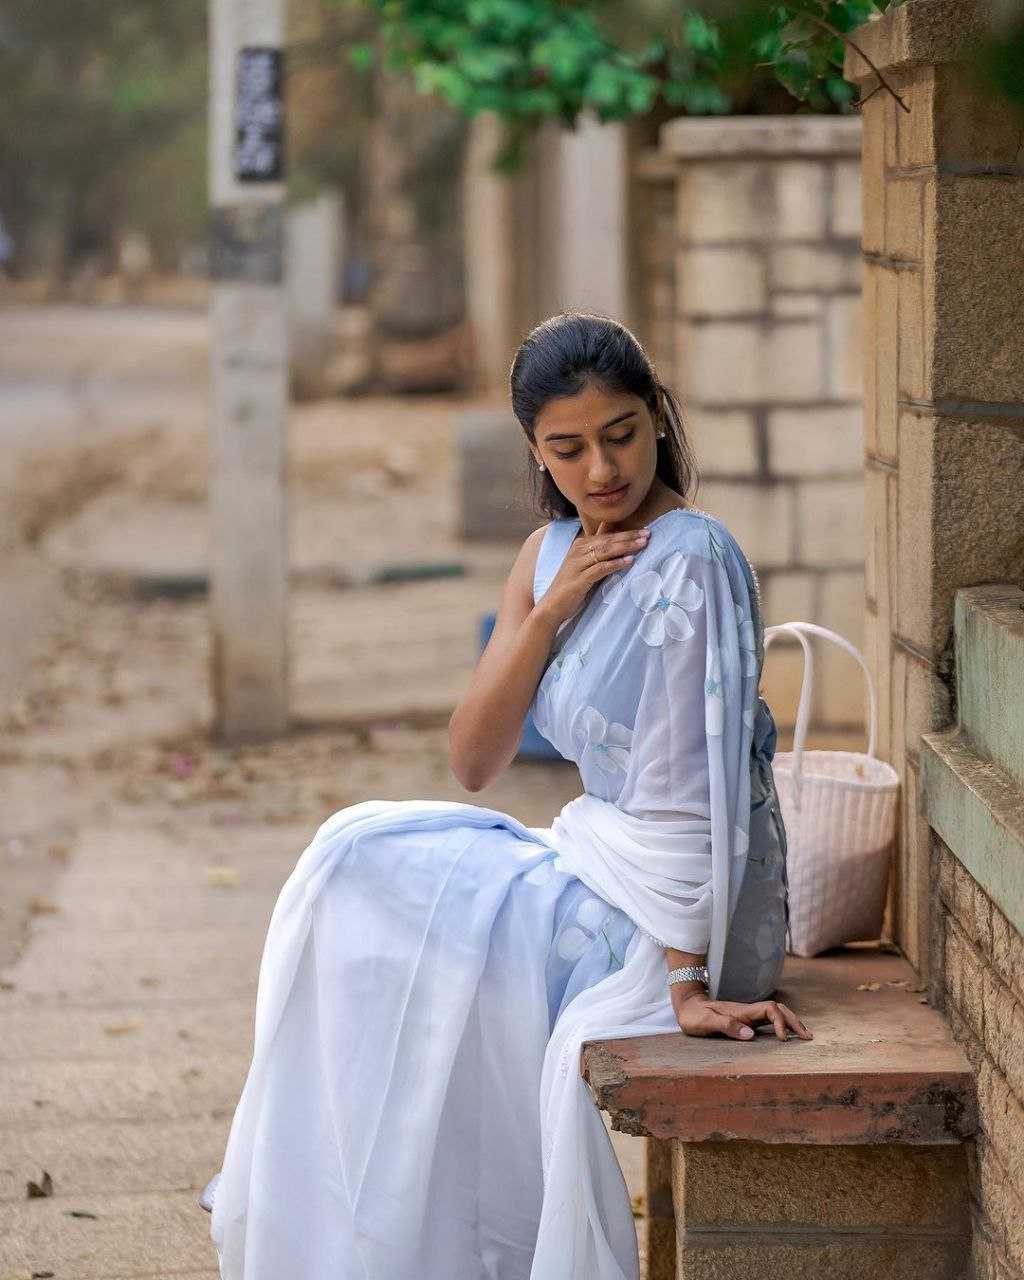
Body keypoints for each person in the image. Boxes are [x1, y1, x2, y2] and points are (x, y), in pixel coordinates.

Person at [205, 311, 812, 1280]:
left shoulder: (690, 556)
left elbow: (694, 788)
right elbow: (473, 757)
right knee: (349, 859)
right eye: (567, 449)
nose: (601, 470)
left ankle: (434, 1241)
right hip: (597, 857)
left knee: (392, 909)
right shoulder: (546, 557)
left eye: (620, 434)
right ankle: (364, 1234)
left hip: (672, 904)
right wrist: (549, 609)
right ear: (535, 450)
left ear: (657, 418)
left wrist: (687, 980)